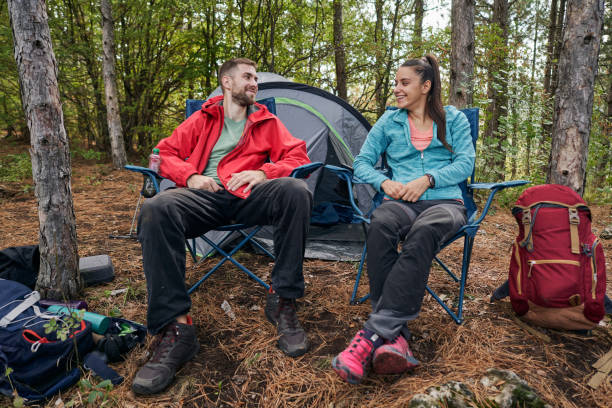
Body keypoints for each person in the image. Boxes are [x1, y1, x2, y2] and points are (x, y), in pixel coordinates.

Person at [132, 58, 313, 395]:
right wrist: (191, 177)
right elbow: (159, 154)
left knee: (296, 191)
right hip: (206, 196)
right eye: (248, 77)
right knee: (156, 209)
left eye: (256, 78)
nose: (255, 83)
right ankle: (177, 328)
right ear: (227, 83)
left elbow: (299, 156)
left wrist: (264, 173)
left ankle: (283, 300)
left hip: (250, 196)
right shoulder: (202, 118)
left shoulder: (267, 120)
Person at [332, 54, 475, 384]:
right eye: (396, 82)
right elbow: (362, 163)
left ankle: (370, 337)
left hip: (445, 202)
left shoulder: (453, 120)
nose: (396, 89)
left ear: (426, 87)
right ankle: (395, 338)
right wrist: (384, 182)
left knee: (424, 232)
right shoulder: (389, 121)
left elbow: (465, 164)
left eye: (404, 83)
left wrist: (428, 180)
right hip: (400, 202)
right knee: (380, 224)